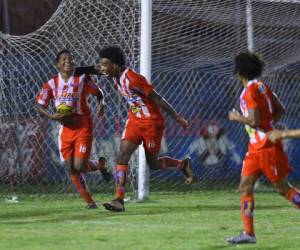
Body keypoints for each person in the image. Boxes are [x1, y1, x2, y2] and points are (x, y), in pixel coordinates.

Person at [89, 45, 194, 212]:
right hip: (134, 121)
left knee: (153, 164)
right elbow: (94, 69)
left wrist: (177, 117)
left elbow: (157, 98)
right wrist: (74, 71)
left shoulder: (133, 79)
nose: (102, 69)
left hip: (152, 123)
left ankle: (182, 164)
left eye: (104, 65)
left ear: (115, 66)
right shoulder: (113, 72)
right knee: (122, 156)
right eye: (101, 65)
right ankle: (119, 199)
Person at [226, 51, 300, 244]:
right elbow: (280, 110)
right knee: (245, 186)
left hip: (266, 147)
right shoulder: (262, 87)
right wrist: (267, 124)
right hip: (255, 148)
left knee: (283, 189)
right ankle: (248, 234)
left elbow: (253, 120)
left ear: (239, 72)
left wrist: (236, 117)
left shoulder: (249, 91)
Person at [36, 49, 112, 209]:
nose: (67, 61)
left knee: (79, 166)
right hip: (65, 129)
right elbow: (40, 105)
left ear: (75, 63)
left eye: (70, 59)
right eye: (63, 59)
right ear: (57, 64)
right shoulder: (51, 83)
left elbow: (99, 93)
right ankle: (90, 201)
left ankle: (100, 165)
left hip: (83, 125)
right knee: (71, 167)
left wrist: (101, 105)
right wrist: (52, 116)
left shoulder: (82, 78)